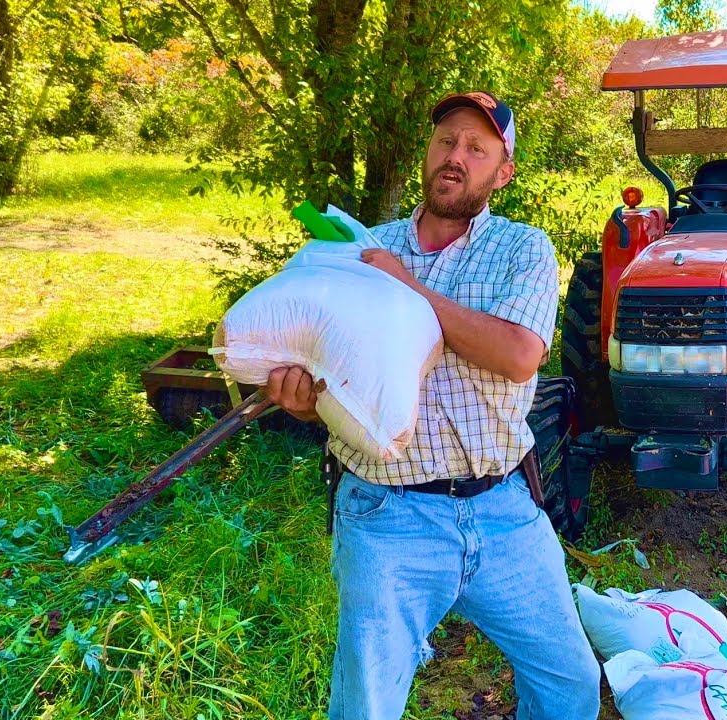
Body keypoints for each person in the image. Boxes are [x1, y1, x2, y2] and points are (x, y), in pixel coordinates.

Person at [263, 91, 602, 720]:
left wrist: (407, 287)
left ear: (504, 171)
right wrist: (304, 401)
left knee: (570, 683)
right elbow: (329, 371)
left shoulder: (521, 249)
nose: (456, 157)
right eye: (446, 140)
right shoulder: (362, 249)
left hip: (505, 509)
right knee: (366, 704)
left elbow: (519, 353)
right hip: (387, 514)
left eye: (477, 148)